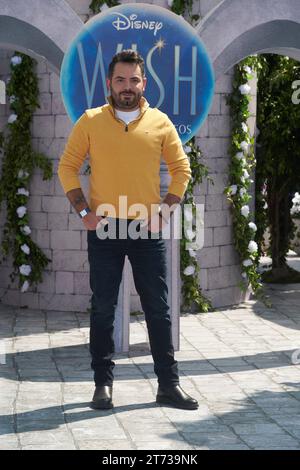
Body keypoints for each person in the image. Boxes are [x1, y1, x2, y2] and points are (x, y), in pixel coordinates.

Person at [58, 49, 198, 410]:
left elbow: (182, 170)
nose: (127, 86)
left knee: (159, 308)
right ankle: (102, 385)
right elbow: (68, 167)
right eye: (120, 79)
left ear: (143, 83)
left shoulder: (160, 123)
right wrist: (85, 212)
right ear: (110, 82)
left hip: (146, 230)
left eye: (134, 79)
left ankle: (168, 385)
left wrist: (165, 211)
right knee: (103, 307)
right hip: (104, 228)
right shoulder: (90, 121)